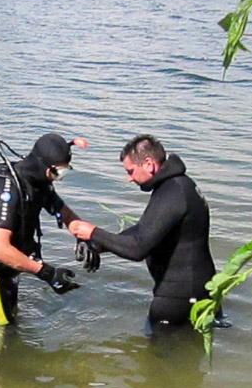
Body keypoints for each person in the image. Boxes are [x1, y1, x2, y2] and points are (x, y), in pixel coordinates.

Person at [69, 134, 217, 326]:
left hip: (179, 297)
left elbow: (138, 248)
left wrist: (93, 232)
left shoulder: (172, 192)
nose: (129, 179)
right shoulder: (179, 185)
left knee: (158, 355)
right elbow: (145, 231)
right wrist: (98, 245)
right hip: (198, 291)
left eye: (130, 171)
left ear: (148, 163)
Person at [0, 133, 101, 326]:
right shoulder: (6, 190)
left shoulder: (39, 184)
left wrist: (84, 237)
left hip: (10, 267)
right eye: (58, 172)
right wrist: (48, 273)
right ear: (45, 166)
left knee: (11, 321)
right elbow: (0, 250)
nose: (60, 178)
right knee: (2, 332)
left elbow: (65, 214)